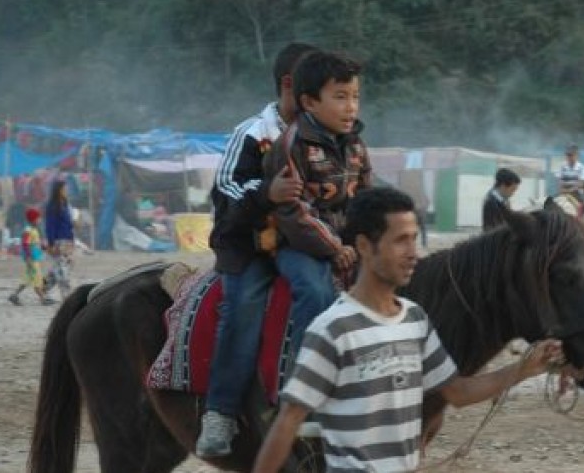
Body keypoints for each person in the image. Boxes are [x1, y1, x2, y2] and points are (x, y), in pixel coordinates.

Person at [252, 187, 563, 473]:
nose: (413, 252)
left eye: (414, 238)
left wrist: (523, 369)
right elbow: (288, 422)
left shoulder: (414, 319)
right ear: (364, 246)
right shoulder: (333, 329)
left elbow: (457, 392)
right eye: (401, 240)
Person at [198, 42, 314, 458]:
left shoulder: (323, 136)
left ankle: (311, 391)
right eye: (316, 88)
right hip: (249, 243)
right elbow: (226, 191)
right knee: (243, 305)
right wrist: (268, 192)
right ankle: (221, 410)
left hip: (304, 241)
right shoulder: (251, 133)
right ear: (290, 85)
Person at [263, 49, 372, 357]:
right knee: (315, 293)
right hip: (298, 244)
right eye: (340, 97)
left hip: (347, 241)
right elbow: (293, 210)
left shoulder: (356, 145)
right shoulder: (291, 145)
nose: (351, 107)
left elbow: (366, 199)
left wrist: (360, 240)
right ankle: (305, 374)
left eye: (355, 97)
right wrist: (334, 248)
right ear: (309, 102)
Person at [7, 208, 55, 306]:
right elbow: (26, 244)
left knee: (27, 279)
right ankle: (43, 299)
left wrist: (45, 248)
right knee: (37, 279)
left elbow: (36, 244)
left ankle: (14, 295)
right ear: (33, 219)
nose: (40, 220)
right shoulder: (28, 230)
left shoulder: (34, 230)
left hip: (34, 258)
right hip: (32, 259)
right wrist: (28, 257)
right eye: (38, 218)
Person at [43, 180, 74, 301]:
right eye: (64, 189)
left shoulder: (65, 204)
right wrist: (51, 243)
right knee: (62, 269)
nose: (67, 191)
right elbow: (50, 226)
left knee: (61, 268)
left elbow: (68, 224)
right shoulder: (52, 206)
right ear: (58, 190)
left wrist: (72, 239)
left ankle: (43, 287)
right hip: (58, 242)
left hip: (67, 241)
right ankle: (66, 296)